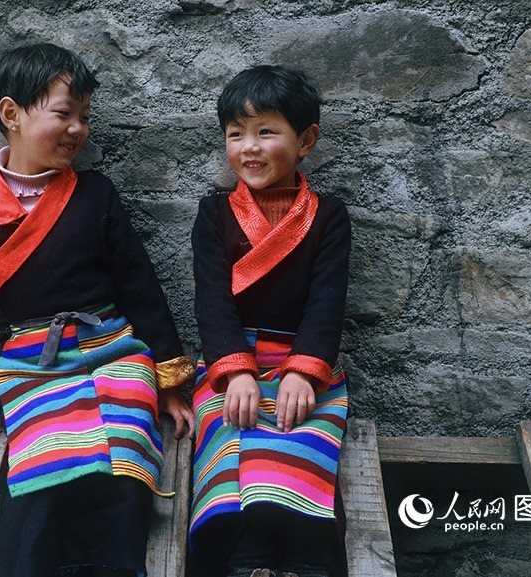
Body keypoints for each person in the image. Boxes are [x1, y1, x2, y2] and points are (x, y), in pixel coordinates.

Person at [0, 43, 195, 577]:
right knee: (46, 456)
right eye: (63, 113)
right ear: (11, 114)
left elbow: (139, 285)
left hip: (115, 348)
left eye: (84, 116)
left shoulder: (96, 193)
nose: (77, 128)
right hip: (33, 360)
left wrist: (168, 379)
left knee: (126, 448)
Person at [188, 65, 350, 577]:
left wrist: (304, 371)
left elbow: (327, 302)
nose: (250, 148)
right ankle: (247, 560)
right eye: (236, 134)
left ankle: (309, 561)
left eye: (266, 132)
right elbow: (212, 301)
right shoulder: (214, 215)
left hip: (303, 364)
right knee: (233, 444)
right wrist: (235, 371)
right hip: (230, 363)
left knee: (301, 443)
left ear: (307, 140)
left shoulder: (328, 216)